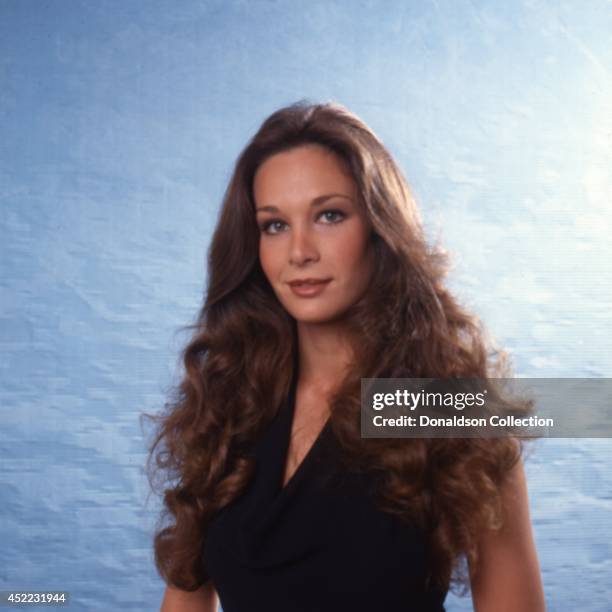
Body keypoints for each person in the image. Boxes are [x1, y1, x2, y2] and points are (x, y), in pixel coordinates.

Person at [146, 100, 546, 611]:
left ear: (381, 229)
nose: (299, 251)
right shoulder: (230, 401)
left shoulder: (446, 408)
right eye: (274, 225)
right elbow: (183, 599)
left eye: (329, 215)